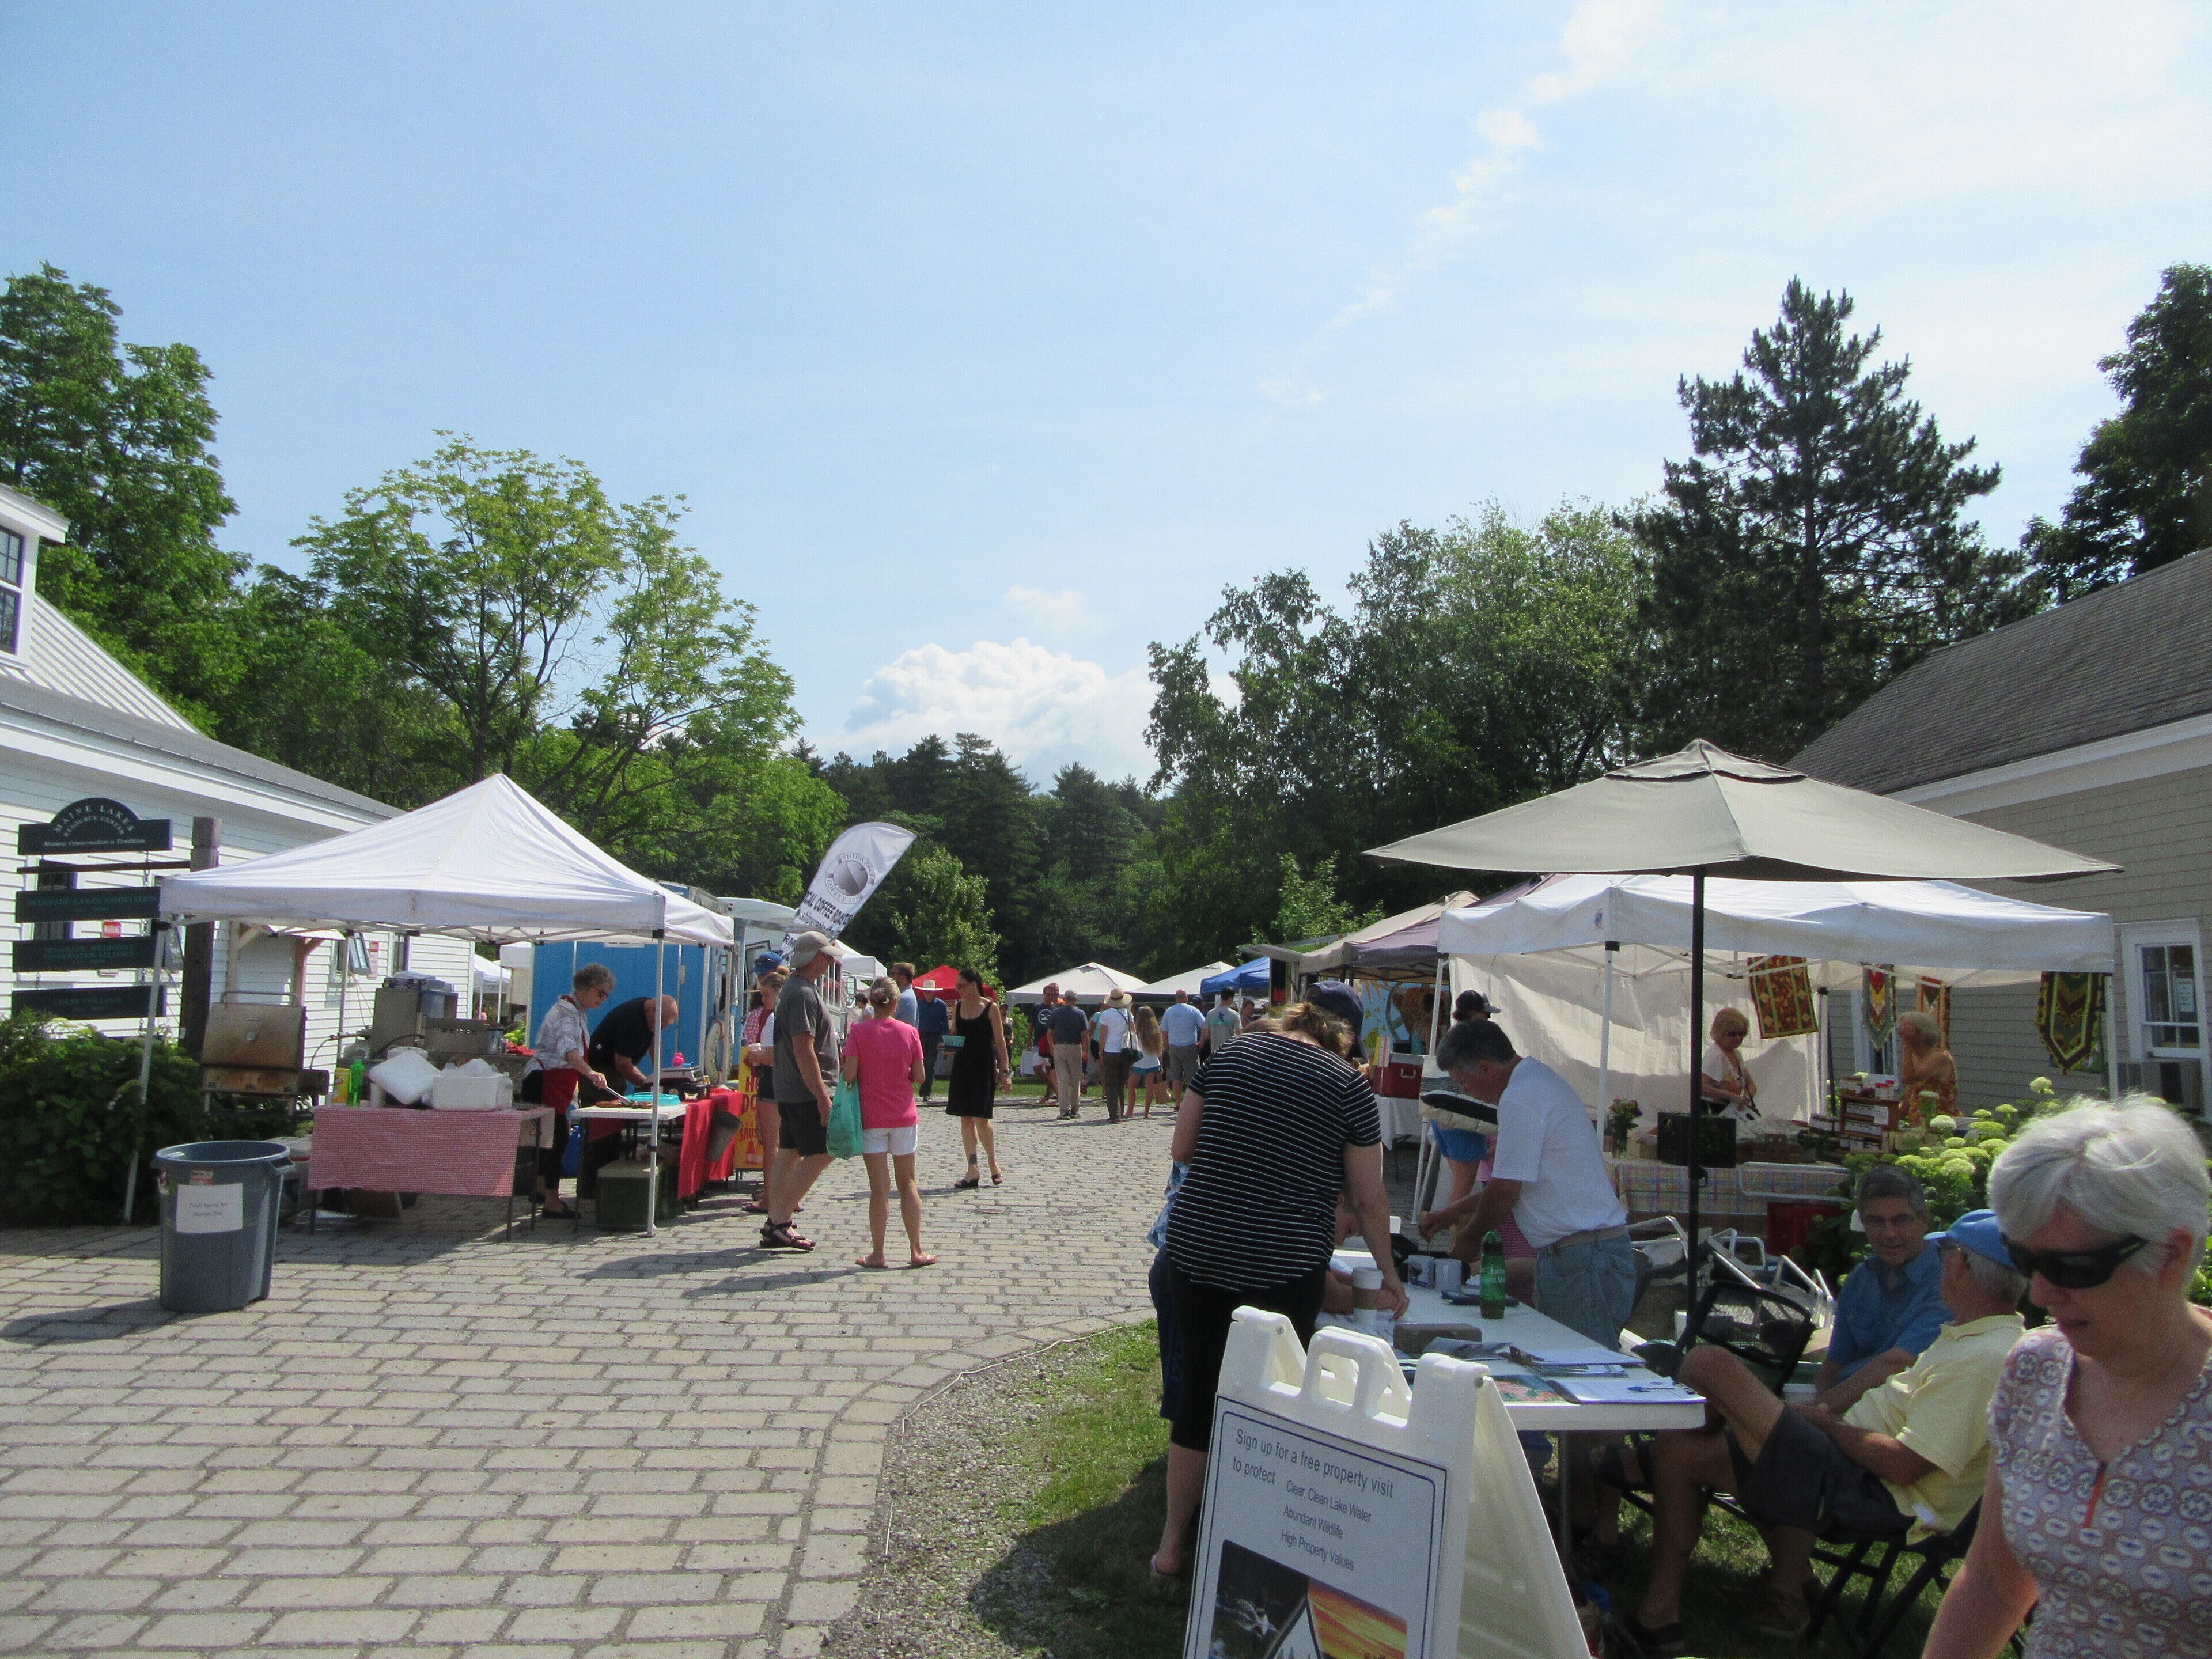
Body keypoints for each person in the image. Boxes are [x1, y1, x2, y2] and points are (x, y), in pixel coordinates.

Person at [1626, 1210, 2028, 1653]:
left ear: (1959, 1267)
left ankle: (1679, 1434)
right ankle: (1658, 1619)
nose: (1936, 1267)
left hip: (1873, 1492)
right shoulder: (1970, 1338)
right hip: (1843, 1466)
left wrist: (1828, 1426)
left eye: (1942, 1255)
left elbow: (1904, 1465)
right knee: (1679, 1451)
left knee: (1709, 1364)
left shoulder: (1984, 1359)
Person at [1922, 1098, 2212, 1659]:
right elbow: (1992, 1584)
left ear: (2172, 1254)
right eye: (2025, 1260)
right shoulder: (2036, 1369)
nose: (2040, 1294)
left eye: (2072, 1269)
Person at [1150, 1000, 1407, 1582]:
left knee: (1200, 1394)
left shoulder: (1232, 1052)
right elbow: (1369, 1198)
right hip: (1284, 1256)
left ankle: (1170, 1546)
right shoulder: (1348, 1085)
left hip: (1200, 1243)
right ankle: (1257, 1538)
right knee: (1276, 1393)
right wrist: (1388, 1273)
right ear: (1339, 1042)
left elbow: (1182, 1148)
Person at [1415, 1018, 1634, 1350]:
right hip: (1584, 1253)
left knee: (1583, 1365)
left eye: (1462, 1082)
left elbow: (1506, 1192)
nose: (1466, 1092)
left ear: (1485, 1068)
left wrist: (1468, 1241)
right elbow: (1512, 1180)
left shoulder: (1520, 1098)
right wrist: (1450, 1214)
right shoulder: (1534, 1082)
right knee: (1573, 1358)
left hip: (1585, 1258)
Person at [1816, 1164, 1948, 1412]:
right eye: (1875, 1222)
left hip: (1892, 1418)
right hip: (1839, 1413)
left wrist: (1820, 1411)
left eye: (1901, 1221)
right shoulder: (1860, 1279)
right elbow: (1833, 1365)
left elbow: (1897, 1363)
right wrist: (1818, 1413)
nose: (1888, 1234)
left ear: (1924, 1219)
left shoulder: (1946, 1280)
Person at [841, 977, 934, 1270]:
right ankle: (916, 1250)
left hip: (871, 1118)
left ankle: (878, 1252)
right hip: (904, 1116)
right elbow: (920, 1076)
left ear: (871, 1002)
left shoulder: (858, 1032)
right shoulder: (910, 1032)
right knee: (908, 1184)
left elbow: (849, 1075)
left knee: (878, 1189)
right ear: (896, 1003)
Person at [517, 963, 618, 1219]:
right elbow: (569, 1051)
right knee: (556, 1140)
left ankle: (542, 1191)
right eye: (601, 993)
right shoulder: (566, 1014)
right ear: (587, 988)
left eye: (606, 995)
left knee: (549, 1138)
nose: (603, 999)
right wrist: (591, 1073)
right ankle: (552, 1200)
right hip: (546, 1080)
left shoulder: (576, 1011)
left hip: (556, 1080)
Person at [763, 931, 840, 1252]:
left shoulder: (794, 989)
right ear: (813, 957)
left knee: (790, 1151)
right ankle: (778, 1220)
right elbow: (803, 1048)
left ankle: (776, 1218)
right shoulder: (804, 993)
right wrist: (823, 1096)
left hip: (790, 1088)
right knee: (824, 1150)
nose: (830, 961)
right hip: (806, 1089)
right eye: (826, 955)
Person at [944, 967, 1010, 1188]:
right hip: (963, 1067)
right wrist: (947, 1046)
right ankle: (972, 1168)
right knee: (965, 1118)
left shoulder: (990, 1008)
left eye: (961, 986)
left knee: (982, 1119)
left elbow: (1000, 1042)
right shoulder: (958, 1007)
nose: (958, 990)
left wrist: (1006, 1072)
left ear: (973, 985)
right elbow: (956, 1035)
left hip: (983, 1067)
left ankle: (993, 1162)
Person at [738, 965, 787, 1214]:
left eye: (767, 995)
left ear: (778, 993)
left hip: (771, 1082)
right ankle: (788, 1195)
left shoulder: (774, 1018)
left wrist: (754, 1054)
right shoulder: (790, 1015)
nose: (763, 999)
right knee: (787, 1143)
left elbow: (772, 1056)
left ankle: (769, 1197)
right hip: (788, 1083)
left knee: (771, 1144)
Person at [586, 993, 680, 1093]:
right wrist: (649, 1086)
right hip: (600, 1072)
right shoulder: (632, 1022)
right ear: (654, 1011)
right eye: (663, 1022)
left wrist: (658, 1073)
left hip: (617, 1073)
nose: (664, 1027)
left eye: (668, 1024)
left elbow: (654, 1038)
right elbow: (623, 1065)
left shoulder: (650, 1009)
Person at [1897, 1008, 1960, 1122]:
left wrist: (1907, 1046)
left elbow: (1908, 1078)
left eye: (1906, 1031)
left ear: (1922, 1033)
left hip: (1940, 1126)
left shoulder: (1939, 1057)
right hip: (1920, 1127)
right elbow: (1908, 1100)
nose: (1901, 1035)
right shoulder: (1915, 1059)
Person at [1699, 1006, 1759, 1122]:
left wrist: (1745, 1099)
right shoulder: (1716, 1055)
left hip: (1730, 1112)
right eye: (1732, 1034)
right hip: (1713, 1113)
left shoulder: (1736, 1054)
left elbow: (1751, 1084)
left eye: (1741, 1034)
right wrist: (1731, 1096)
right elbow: (1700, 1087)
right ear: (1720, 1033)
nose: (1738, 1038)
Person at [1044, 988, 1090, 1119]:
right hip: (1075, 1047)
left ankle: (1064, 1110)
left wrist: (1052, 1047)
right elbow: (1084, 1034)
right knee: (1076, 1079)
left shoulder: (1056, 1013)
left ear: (1064, 998)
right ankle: (1075, 1109)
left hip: (1060, 1047)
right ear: (1075, 1000)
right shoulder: (1080, 1013)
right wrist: (1086, 1049)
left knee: (1062, 1080)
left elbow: (1050, 1032)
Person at [1093, 988, 1135, 1123]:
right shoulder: (1128, 1014)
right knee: (1121, 1084)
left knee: (1111, 1084)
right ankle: (1121, 1111)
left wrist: (1101, 1050)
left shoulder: (1106, 1015)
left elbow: (1103, 1034)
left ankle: (1114, 1114)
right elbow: (1133, 1032)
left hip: (1111, 1051)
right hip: (1125, 1052)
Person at [1160, 988, 1206, 1097]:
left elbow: (1163, 1030)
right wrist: (1201, 1041)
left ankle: (1177, 1102)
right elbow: (1205, 1026)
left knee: (1176, 1076)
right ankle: (1190, 1100)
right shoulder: (1193, 1010)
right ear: (1186, 998)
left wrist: (1167, 1044)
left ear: (1176, 998)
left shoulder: (1169, 1011)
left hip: (1174, 1046)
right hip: (1190, 1046)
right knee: (1192, 1075)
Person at [914, 976, 948, 1102]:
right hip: (921, 1035)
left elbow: (945, 1024)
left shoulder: (941, 1005)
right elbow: (915, 1021)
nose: (927, 994)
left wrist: (942, 1040)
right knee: (920, 1063)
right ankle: (922, 1089)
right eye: (926, 992)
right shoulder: (918, 1004)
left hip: (934, 1036)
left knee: (931, 1065)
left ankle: (927, 1092)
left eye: (930, 992)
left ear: (934, 992)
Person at [1131, 1005, 1166, 1115]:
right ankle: (1146, 1112)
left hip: (1138, 1061)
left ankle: (1130, 1111)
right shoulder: (1156, 1030)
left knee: (1132, 1085)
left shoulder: (1136, 1030)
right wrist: (1161, 1065)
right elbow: (1159, 1049)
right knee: (1149, 1088)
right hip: (1152, 1061)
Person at [1203, 991, 1240, 1057]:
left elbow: (1206, 1036)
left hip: (1215, 1052)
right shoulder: (1234, 1014)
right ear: (1231, 998)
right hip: (1229, 1051)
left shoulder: (1210, 1013)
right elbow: (1239, 1034)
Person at [891, 962, 920, 1028]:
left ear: (903, 978)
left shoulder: (902, 998)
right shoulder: (909, 994)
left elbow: (882, 1018)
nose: (891, 977)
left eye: (893, 974)